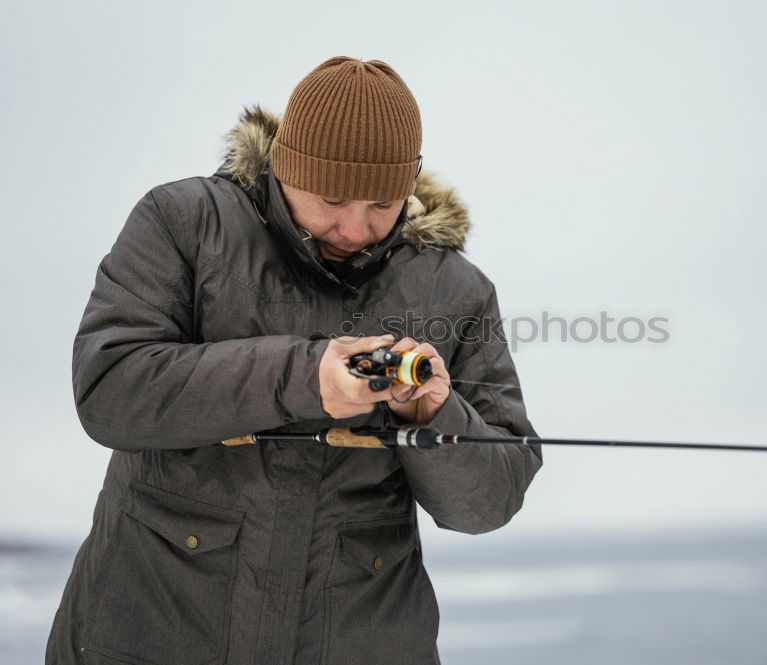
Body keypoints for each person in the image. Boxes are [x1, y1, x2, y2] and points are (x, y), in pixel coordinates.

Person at [45, 55, 543, 665]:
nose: (356, 228)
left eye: (383, 203)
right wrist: (303, 379)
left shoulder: (455, 290)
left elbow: (487, 505)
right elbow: (109, 389)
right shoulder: (183, 224)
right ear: (287, 167)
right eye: (333, 198)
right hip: (147, 632)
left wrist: (436, 414)